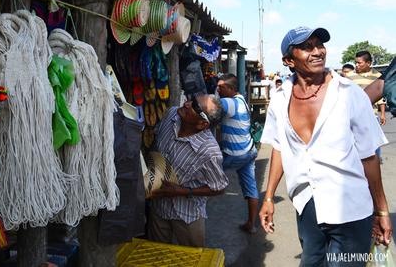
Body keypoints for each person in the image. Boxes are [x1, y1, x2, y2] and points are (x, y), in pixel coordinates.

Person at [259, 26, 392, 267]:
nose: (317, 51)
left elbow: (369, 157)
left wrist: (381, 210)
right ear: (289, 60)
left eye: (320, 45)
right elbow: (280, 147)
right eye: (307, 47)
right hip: (308, 205)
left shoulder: (350, 94)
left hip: (351, 209)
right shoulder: (279, 100)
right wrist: (268, 197)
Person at [148, 94, 229, 247]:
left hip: (187, 214)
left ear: (202, 124)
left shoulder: (209, 151)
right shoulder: (171, 114)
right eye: (192, 99)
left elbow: (219, 187)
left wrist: (183, 191)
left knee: (192, 259)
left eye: (195, 107)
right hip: (158, 208)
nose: (187, 103)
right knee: (157, 256)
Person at [217, 74, 259, 234]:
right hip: (249, 151)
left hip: (236, 154)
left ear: (231, 89)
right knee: (251, 187)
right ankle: (251, 224)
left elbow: (210, 104)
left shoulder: (230, 102)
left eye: (221, 87)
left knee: (208, 174)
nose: (218, 89)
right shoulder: (242, 100)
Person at [349, 51, 386, 125]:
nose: (356, 65)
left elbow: (381, 98)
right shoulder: (349, 76)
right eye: (355, 62)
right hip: (354, 116)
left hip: (372, 116)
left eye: (359, 63)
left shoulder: (378, 76)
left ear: (368, 63)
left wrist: (382, 114)